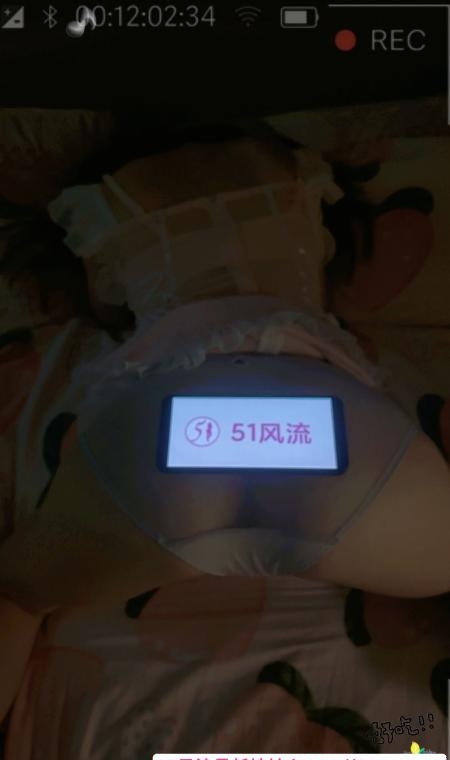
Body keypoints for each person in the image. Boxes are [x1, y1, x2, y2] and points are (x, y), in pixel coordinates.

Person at [0, 121, 449, 724]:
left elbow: (105, 307)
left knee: (17, 593)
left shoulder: (110, 191)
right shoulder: (295, 171)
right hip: (345, 431)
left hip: (157, 446)